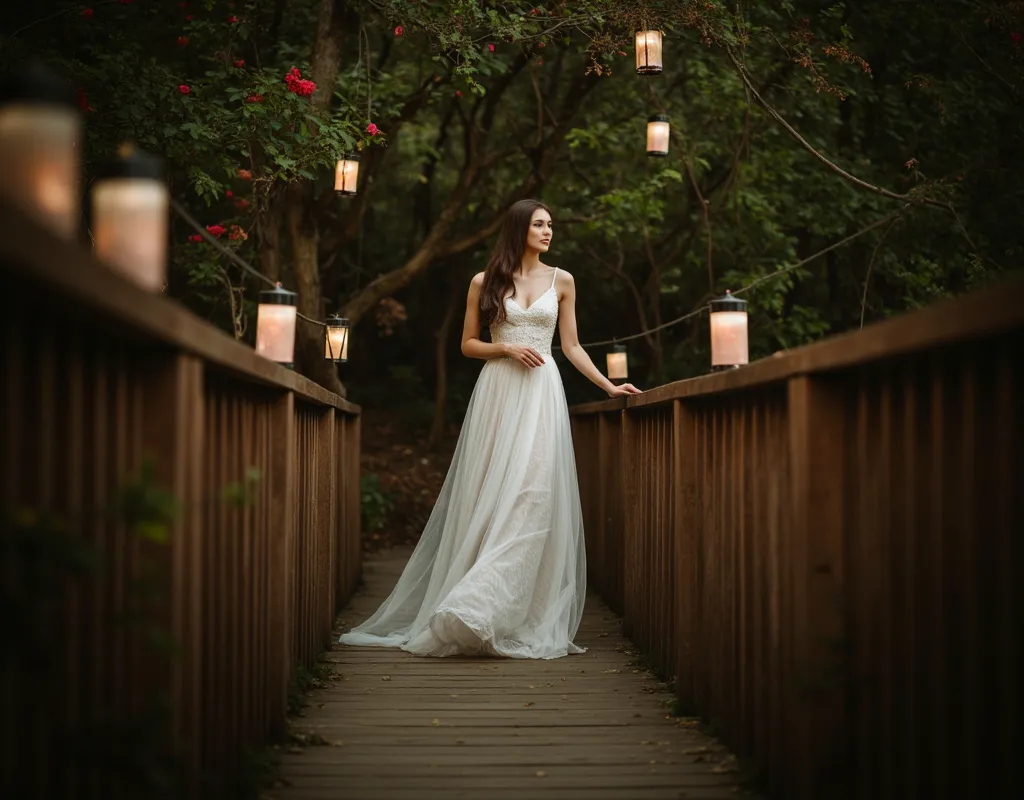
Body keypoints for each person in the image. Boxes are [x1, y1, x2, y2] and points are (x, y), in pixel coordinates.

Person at [338, 199, 642, 659]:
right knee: (492, 494)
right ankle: (472, 603)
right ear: (519, 228)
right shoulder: (485, 281)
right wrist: (506, 349)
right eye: (540, 224)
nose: (548, 231)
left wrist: (607, 385)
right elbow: (467, 344)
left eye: (551, 225)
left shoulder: (563, 280)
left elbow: (572, 345)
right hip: (499, 393)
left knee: (532, 495)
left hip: (541, 394)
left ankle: (486, 606)